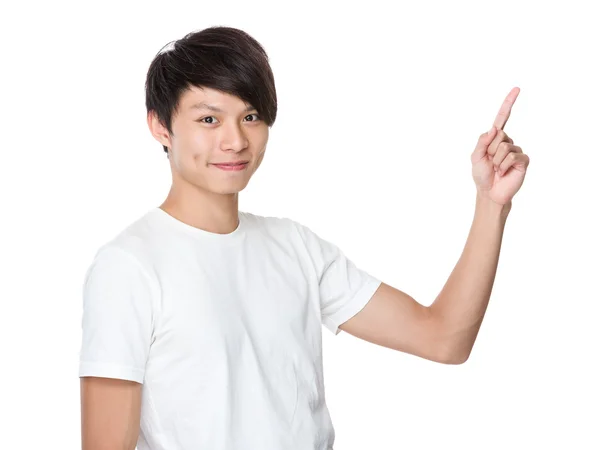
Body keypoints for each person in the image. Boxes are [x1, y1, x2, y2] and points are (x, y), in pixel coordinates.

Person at [78, 26, 530, 450]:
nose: (235, 141)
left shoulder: (294, 248)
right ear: (161, 127)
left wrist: (491, 204)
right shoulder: (128, 266)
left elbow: (444, 339)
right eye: (210, 119)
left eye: (250, 116)